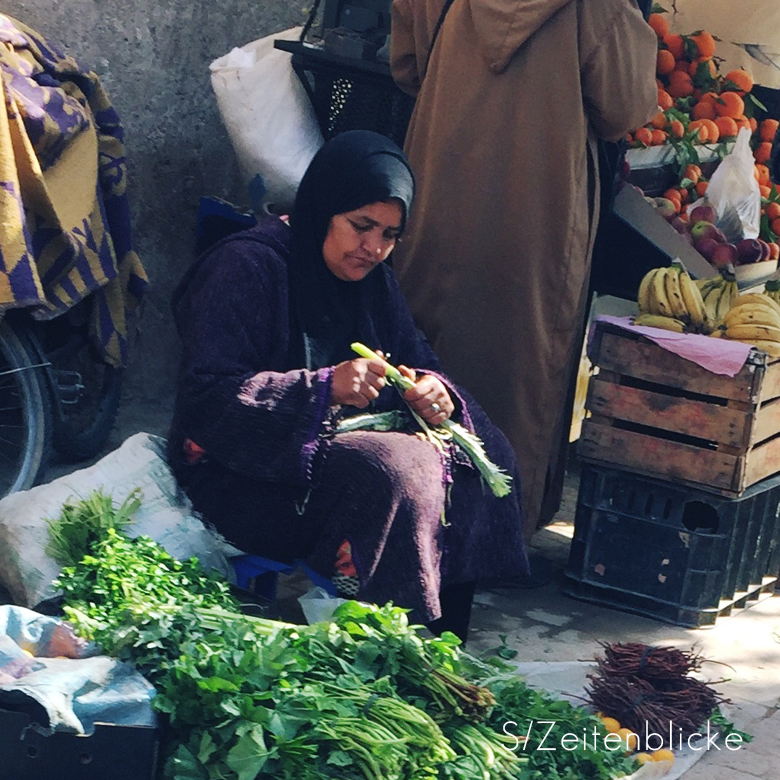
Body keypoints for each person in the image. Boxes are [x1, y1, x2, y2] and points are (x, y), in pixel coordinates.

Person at [167, 130, 528, 641]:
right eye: (361, 226)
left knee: (479, 448)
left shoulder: (373, 278)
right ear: (324, 207)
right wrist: (322, 390)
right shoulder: (245, 266)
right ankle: (390, 644)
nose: (373, 248)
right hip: (241, 475)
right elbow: (207, 398)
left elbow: (416, 355)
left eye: (389, 234)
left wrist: (430, 388)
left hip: (329, 454)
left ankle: (443, 639)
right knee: (396, 470)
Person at [389, 0, 658, 542]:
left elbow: (407, 66)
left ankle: (405, 509)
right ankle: (498, 530)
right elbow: (626, 105)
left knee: (422, 341)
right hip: (542, 205)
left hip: (439, 174)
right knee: (525, 354)